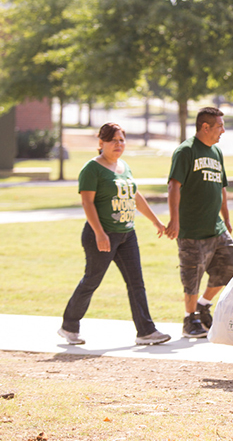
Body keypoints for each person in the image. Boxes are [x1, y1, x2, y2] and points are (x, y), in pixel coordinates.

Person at [59, 123, 171, 346]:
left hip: (127, 234)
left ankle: (146, 331)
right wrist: (100, 233)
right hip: (102, 234)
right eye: (113, 140)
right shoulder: (92, 168)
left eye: (122, 140)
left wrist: (155, 221)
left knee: (136, 283)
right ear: (101, 143)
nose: (118, 144)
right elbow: (87, 202)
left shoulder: (124, 166)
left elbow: (135, 196)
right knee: (92, 280)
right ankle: (69, 326)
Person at [166, 107, 233, 338]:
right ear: (205, 127)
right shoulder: (185, 151)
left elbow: (222, 188)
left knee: (229, 263)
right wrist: (174, 221)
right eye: (219, 126)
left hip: (215, 226)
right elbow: (173, 186)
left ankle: (203, 305)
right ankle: (190, 320)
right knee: (192, 276)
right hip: (191, 229)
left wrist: (226, 217)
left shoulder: (217, 152)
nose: (223, 131)